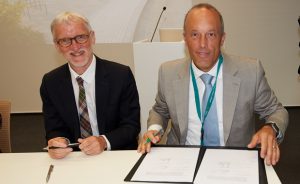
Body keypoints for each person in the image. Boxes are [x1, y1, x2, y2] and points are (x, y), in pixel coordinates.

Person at [138, 3, 288, 166]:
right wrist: (154, 128)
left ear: (222, 38)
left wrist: (270, 128)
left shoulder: (250, 72)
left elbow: (276, 111)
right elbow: (160, 109)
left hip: (232, 162)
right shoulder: (168, 72)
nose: (202, 44)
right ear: (185, 38)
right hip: (182, 160)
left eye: (211, 34)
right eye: (195, 34)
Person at [40, 12, 140, 159]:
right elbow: (54, 129)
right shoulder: (50, 82)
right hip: (74, 159)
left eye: (81, 37)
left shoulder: (120, 75)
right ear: (57, 46)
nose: (75, 47)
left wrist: (103, 141)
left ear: (92, 37)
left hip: (116, 155)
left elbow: (131, 126)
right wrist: (59, 142)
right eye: (65, 41)